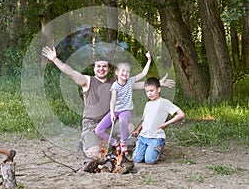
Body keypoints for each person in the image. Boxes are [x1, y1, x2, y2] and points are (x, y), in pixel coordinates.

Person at [42, 46, 175, 158]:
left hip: (110, 123)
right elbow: (70, 72)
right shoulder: (87, 81)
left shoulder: (116, 83)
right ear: (94, 68)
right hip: (91, 124)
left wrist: (159, 83)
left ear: (109, 69)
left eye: (104, 66)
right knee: (94, 154)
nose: (101, 69)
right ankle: (87, 142)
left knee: (129, 127)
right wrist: (54, 59)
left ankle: (112, 144)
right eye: (98, 66)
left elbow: (140, 85)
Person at [95, 52, 151, 155]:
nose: (125, 73)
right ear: (117, 72)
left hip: (125, 110)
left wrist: (149, 60)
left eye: (128, 72)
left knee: (123, 120)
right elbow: (113, 100)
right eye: (123, 70)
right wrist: (112, 113)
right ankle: (115, 143)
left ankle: (123, 143)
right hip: (115, 110)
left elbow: (143, 74)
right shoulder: (115, 86)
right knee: (98, 130)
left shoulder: (130, 82)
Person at [132, 77, 185, 164]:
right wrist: (138, 130)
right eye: (147, 91)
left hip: (155, 136)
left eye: (152, 90)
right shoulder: (148, 104)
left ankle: (157, 148)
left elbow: (181, 114)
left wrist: (166, 123)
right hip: (143, 136)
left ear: (159, 89)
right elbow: (144, 119)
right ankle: (144, 149)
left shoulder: (164, 102)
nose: (149, 93)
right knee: (137, 159)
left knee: (149, 160)